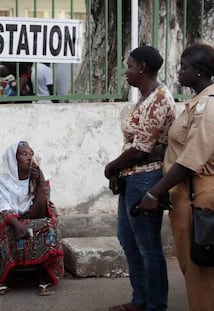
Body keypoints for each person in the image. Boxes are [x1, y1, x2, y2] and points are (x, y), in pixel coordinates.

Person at [137, 43, 214, 311]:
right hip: (187, 194)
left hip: (197, 196)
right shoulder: (197, 103)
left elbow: (190, 161)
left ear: (201, 72)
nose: (179, 72)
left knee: (199, 273)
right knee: (193, 269)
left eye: (185, 67)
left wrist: (152, 193)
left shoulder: (207, 107)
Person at [104, 46, 176, 311]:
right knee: (128, 240)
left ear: (143, 68)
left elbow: (141, 149)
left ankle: (155, 305)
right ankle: (140, 300)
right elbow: (135, 145)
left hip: (147, 179)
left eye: (130, 65)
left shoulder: (159, 99)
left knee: (148, 247)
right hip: (133, 178)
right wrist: (120, 172)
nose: (127, 70)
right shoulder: (145, 97)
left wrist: (111, 168)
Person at [0, 141, 64, 297]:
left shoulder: (41, 179)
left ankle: (43, 277)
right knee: (5, 231)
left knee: (48, 226)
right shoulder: (3, 183)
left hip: (31, 219)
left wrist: (40, 183)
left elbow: (40, 212)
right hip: (11, 221)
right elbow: (2, 208)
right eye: (24, 154)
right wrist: (18, 225)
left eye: (31, 154)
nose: (29, 158)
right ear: (13, 159)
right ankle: (6, 279)